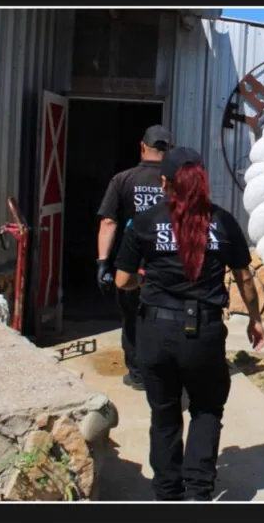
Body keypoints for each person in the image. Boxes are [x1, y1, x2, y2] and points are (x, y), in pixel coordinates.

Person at [113, 146, 264, 501]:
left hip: (155, 332)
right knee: (206, 408)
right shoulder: (224, 221)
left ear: (165, 182)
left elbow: (123, 281)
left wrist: (145, 281)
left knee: (164, 414)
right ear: (201, 180)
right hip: (205, 335)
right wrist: (255, 319)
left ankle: (168, 493)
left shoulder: (145, 222)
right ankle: (198, 493)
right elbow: (244, 278)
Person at [96, 124, 172, 391]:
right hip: (167, 263)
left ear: (143, 146)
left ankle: (138, 374)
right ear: (169, 149)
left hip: (131, 265)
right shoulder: (176, 180)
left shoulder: (123, 179)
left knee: (132, 318)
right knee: (166, 316)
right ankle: (163, 371)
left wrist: (103, 262)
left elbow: (108, 222)